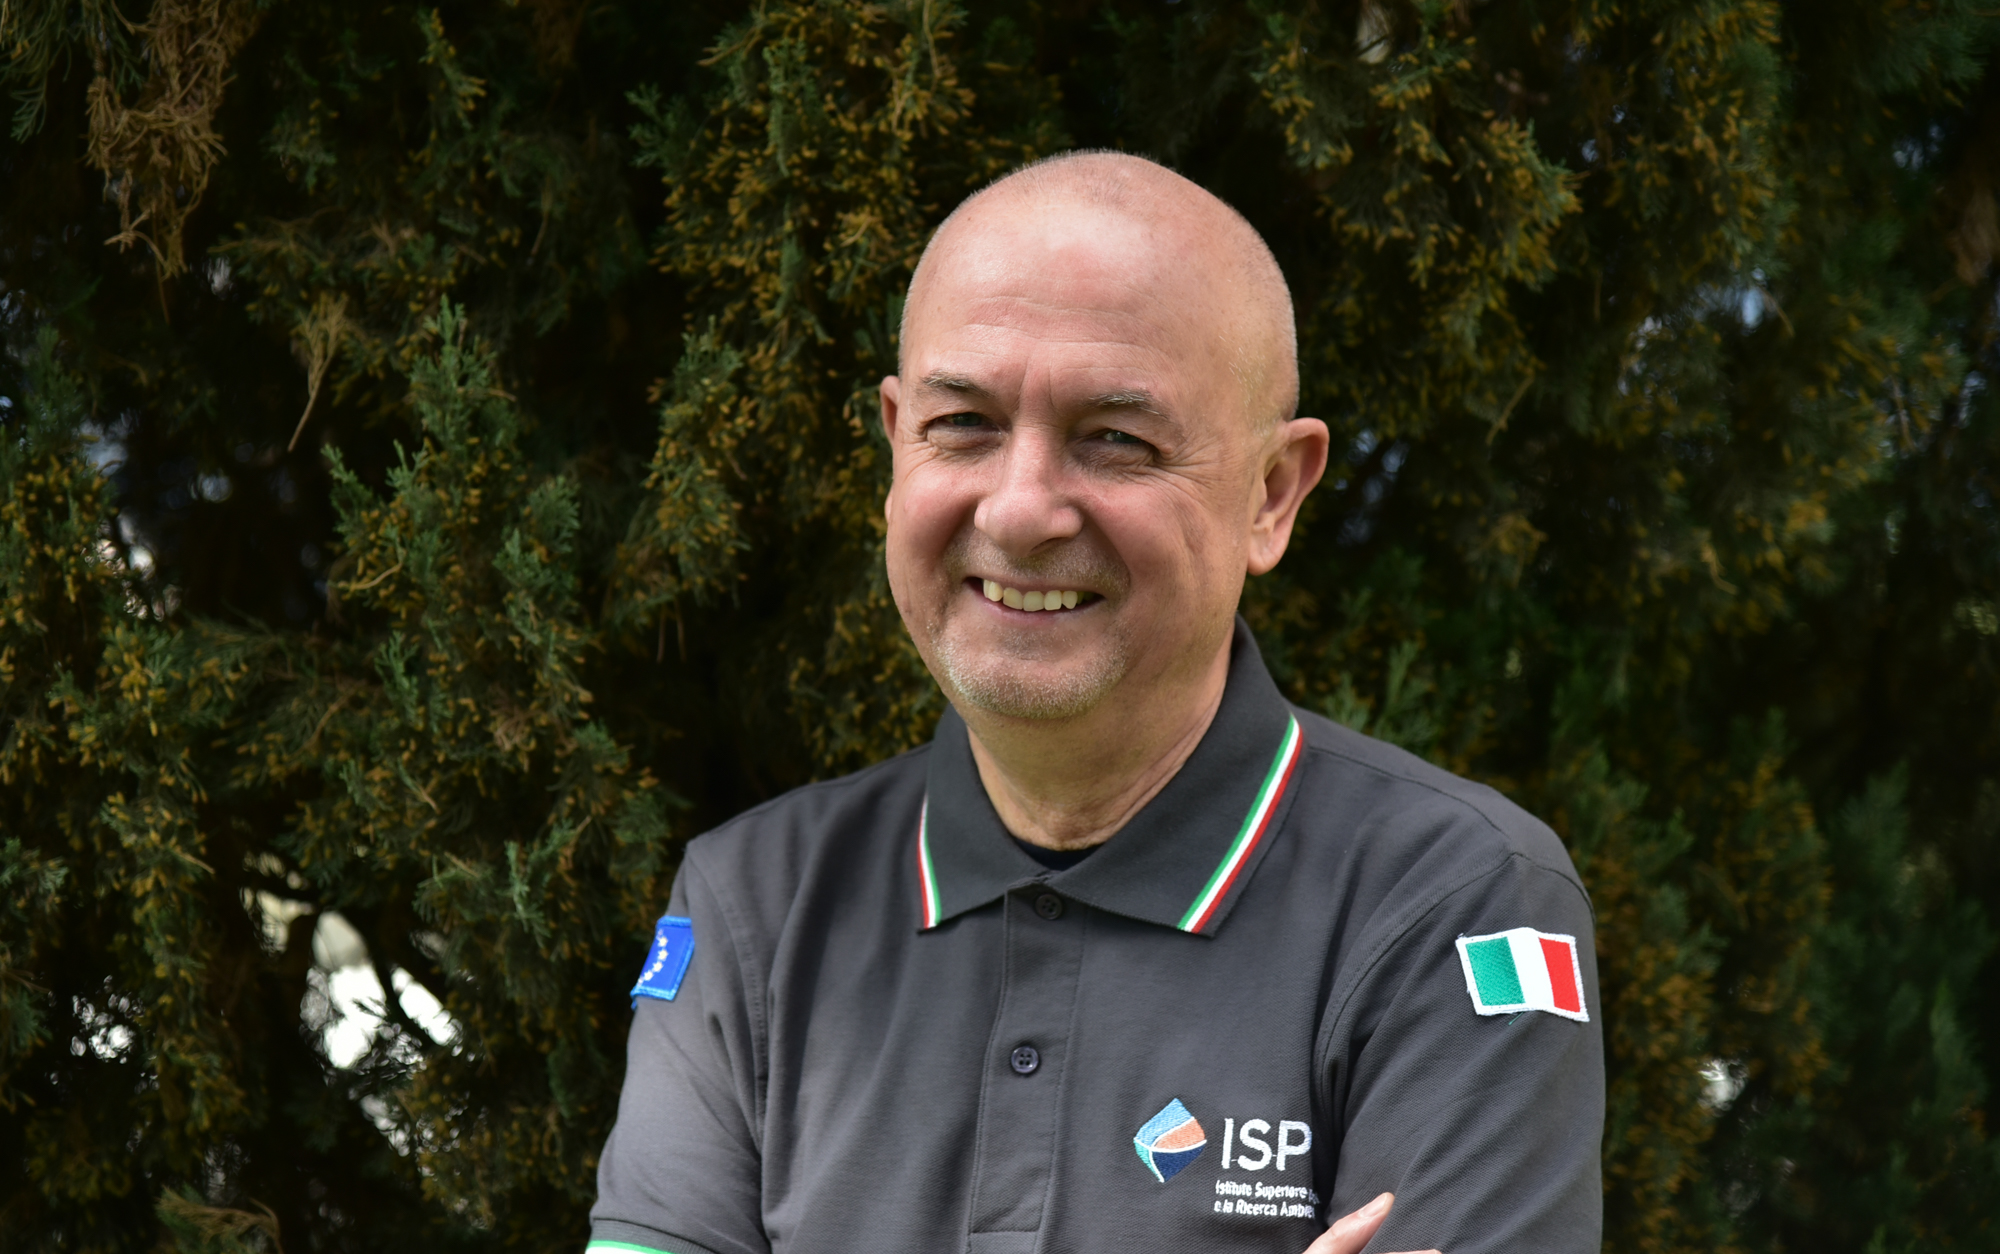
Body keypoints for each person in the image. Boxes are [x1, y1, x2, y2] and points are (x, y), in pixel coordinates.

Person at [587, 151, 1602, 1254]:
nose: (1019, 511)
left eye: (1115, 439)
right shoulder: (751, 905)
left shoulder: (1453, 904)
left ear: (1270, 495)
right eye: (962, 424)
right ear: (894, 443)